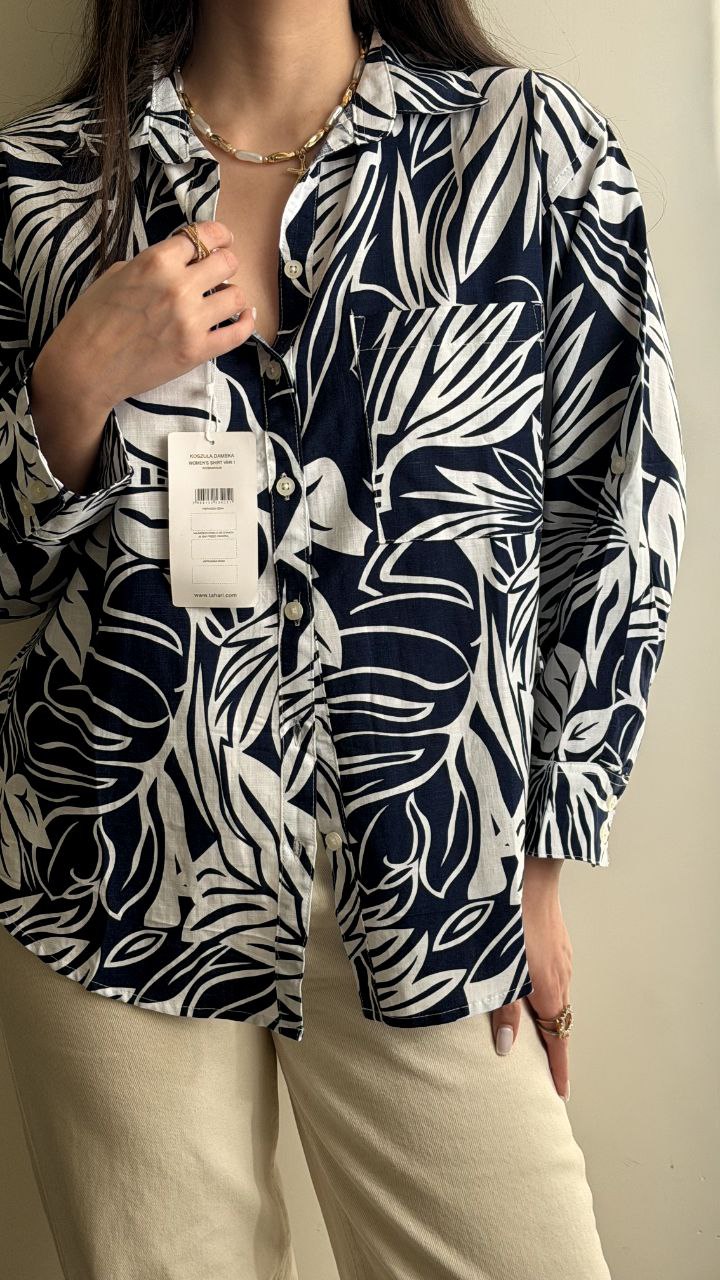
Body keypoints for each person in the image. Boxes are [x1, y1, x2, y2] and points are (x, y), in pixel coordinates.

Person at [0, 1, 686, 1278]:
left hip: (433, 880)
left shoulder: (527, 152)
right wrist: (72, 386)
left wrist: (545, 858)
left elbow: (618, 518)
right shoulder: (45, 183)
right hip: (112, 874)